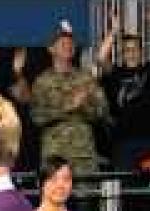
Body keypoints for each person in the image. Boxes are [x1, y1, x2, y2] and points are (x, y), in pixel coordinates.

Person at [96, 9, 150, 171]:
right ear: (122, 53)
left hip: (147, 139)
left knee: (149, 188)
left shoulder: (149, 69)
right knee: (124, 188)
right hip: (122, 141)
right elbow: (100, 58)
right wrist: (114, 31)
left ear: (141, 51)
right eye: (127, 49)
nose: (131, 53)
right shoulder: (115, 73)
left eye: (134, 49)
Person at [31, 24, 107, 177]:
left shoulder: (86, 78)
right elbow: (36, 117)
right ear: (51, 49)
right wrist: (67, 107)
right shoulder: (42, 81)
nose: (68, 46)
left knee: (86, 199)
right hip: (55, 155)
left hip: (83, 155)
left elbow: (102, 112)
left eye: (70, 43)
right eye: (62, 44)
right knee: (56, 198)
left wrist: (85, 106)